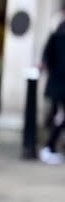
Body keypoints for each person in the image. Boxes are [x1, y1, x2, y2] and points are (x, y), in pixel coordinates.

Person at [40, 11, 65, 165]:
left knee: (58, 115)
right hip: (60, 84)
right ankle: (49, 147)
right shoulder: (57, 39)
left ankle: (50, 147)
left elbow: (46, 59)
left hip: (56, 83)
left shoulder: (54, 37)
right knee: (60, 117)